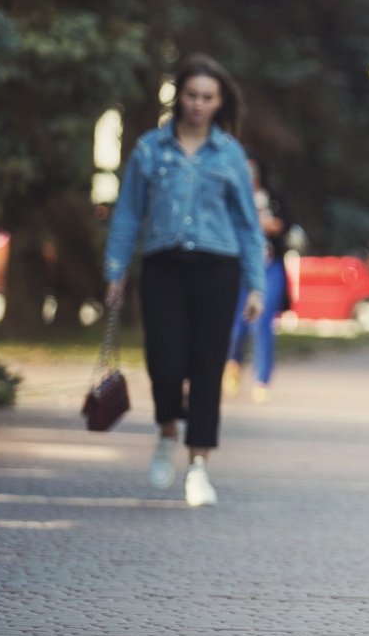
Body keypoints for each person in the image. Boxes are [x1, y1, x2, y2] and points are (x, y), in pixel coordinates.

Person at [104, 55, 266, 507]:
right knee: (166, 364)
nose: (198, 104)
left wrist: (256, 286)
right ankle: (166, 434)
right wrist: (114, 272)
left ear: (220, 101)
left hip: (219, 269)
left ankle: (198, 467)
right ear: (179, 97)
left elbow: (249, 225)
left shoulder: (229, 154)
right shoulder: (149, 149)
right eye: (191, 95)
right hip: (164, 268)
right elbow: (128, 214)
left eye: (207, 97)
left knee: (208, 369)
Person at [223, 157, 292, 403]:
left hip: (269, 267)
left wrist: (267, 225)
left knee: (263, 323)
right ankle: (233, 363)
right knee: (237, 325)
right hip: (239, 267)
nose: (250, 173)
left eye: (254, 168)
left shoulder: (272, 195)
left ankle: (262, 381)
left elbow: (286, 224)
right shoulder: (232, 194)